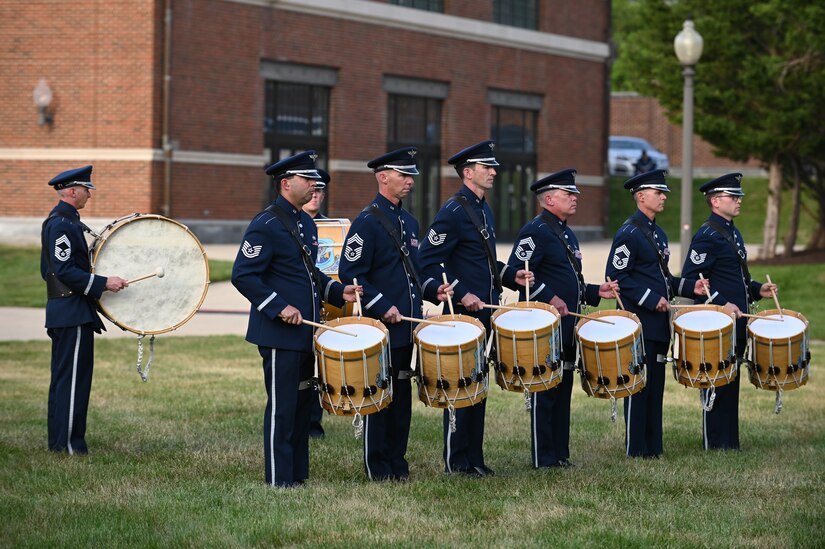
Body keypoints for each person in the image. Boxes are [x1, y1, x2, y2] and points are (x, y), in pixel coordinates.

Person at [231, 151, 360, 488]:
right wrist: (279, 306)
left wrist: (336, 292)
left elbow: (308, 273)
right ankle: (278, 478)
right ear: (286, 183)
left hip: (305, 333)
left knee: (303, 407)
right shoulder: (266, 224)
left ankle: (297, 475)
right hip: (278, 334)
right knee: (283, 407)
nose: (314, 184)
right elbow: (243, 275)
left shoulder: (304, 221)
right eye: (307, 179)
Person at [418, 140, 533, 477]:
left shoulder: (483, 209)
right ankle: (456, 461)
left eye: (493, 167)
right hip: (463, 314)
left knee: (478, 386)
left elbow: (481, 261)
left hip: (484, 312)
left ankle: (474, 458)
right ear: (468, 173)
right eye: (487, 168)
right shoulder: (452, 211)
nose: (494, 172)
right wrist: (461, 292)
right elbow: (427, 261)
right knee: (461, 387)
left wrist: (512, 275)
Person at [339, 147, 452, 481]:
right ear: (382, 177)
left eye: (411, 176)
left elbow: (415, 272)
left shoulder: (409, 221)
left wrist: (434, 291)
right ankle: (378, 466)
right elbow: (350, 272)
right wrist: (380, 305)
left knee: (401, 398)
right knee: (380, 397)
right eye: (403, 175)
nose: (409, 182)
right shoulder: (367, 223)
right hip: (380, 327)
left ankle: (397, 464)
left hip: (406, 326)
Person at [507, 169, 619, 468]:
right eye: (568, 194)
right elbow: (516, 273)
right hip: (543, 326)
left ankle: (559, 453)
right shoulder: (536, 230)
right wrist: (548, 296)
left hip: (567, 323)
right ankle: (542, 457)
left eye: (575, 194)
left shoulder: (565, 231)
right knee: (546, 391)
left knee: (563, 389)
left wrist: (597, 291)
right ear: (549, 198)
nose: (574, 199)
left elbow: (571, 280)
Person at [605, 169, 706, 459]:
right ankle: (636, 448)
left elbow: (663, 278)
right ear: (640, 196)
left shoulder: (656, 231)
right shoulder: (629, 233)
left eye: (664, 193)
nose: (663, 197)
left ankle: (653, 447)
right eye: (658, 192)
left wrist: (691, 286)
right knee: (639, 386)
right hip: (638, 323)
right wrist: (652, 300)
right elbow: (616, 277)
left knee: (656, 386)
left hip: (658, 324)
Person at [680, 173, 776, 450]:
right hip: (716, 320)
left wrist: (758, 290)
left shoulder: (733, 232)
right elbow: (693, 279)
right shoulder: (707, 235)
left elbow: (737, 278)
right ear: (714, 201)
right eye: (733, 197)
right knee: (716, 378)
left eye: (739, 197)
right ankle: (715, 441)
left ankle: (729, 441)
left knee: (731, 379)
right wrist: (722, 304)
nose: (738, 201)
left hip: (737, 319)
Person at [41, 165, 128, 455]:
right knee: (73, 381)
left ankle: (60, 443)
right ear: (73, 191)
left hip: (68, 311)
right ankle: (68, 445)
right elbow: (63, 270)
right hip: (71, 311)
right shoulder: (62, 225)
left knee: (67, 379)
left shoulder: (66, 222)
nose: (89, 195)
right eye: (86, 189)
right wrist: (104, 283)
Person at [302, 168, 330, 438]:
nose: (315, 195)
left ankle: (314, 421)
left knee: (319, 365)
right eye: (312, 189)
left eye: (320, 190)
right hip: (300, 308)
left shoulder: (335, 227)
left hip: (328, 305)